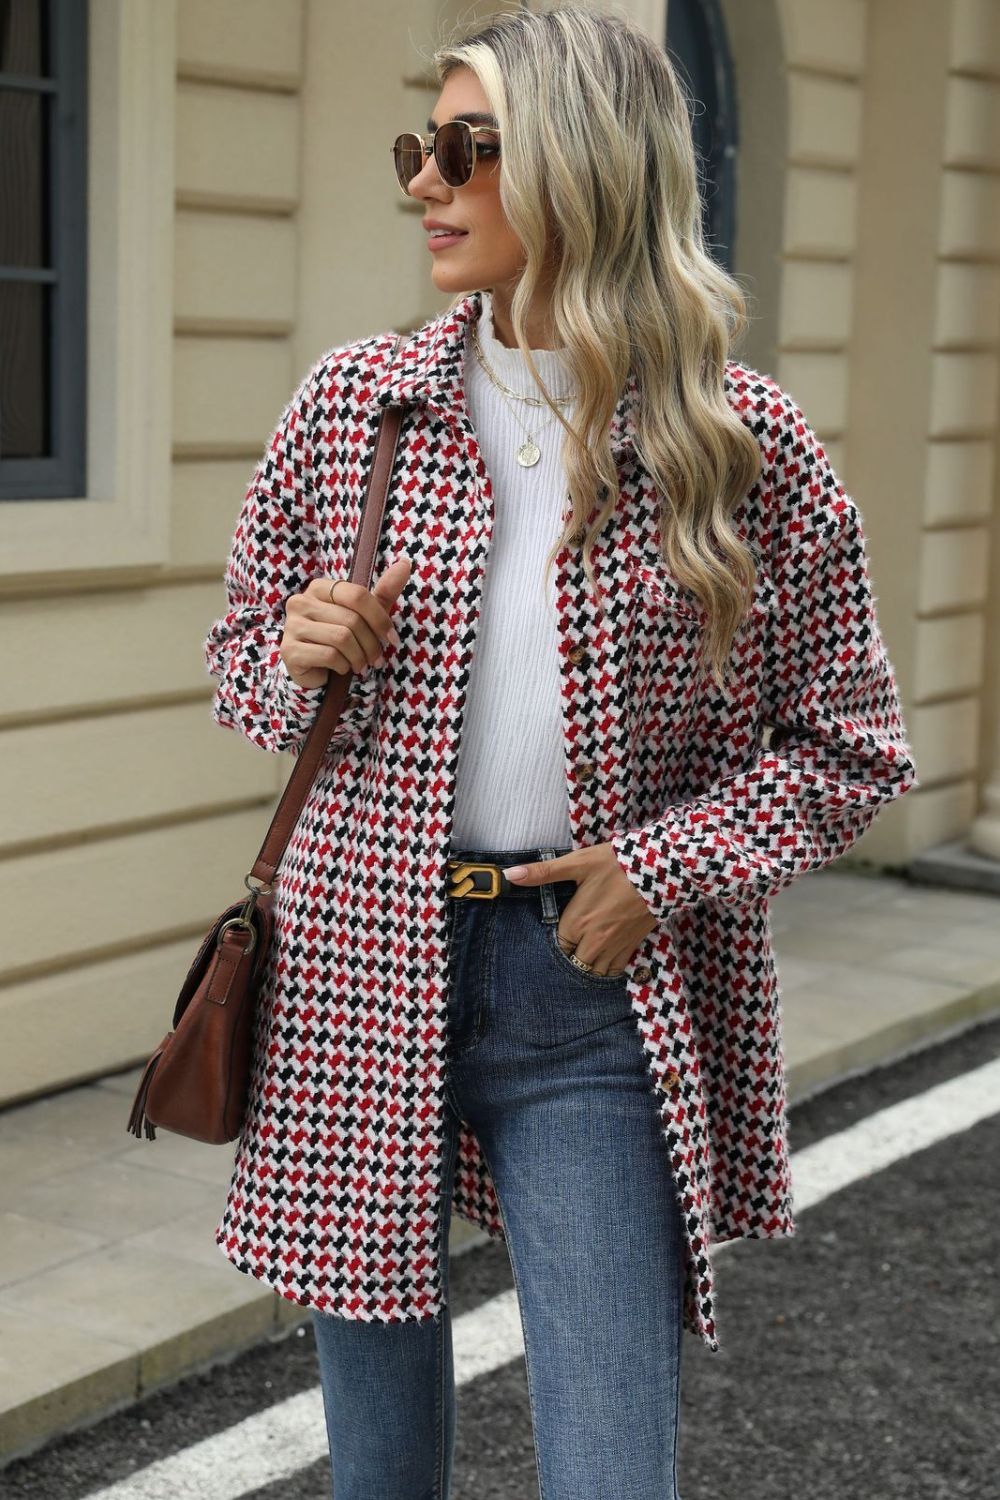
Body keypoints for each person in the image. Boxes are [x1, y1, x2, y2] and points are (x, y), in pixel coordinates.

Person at [202, 6, 918, 1498]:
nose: (425, 181)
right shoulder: (353, 408)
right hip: (355, 964)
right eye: (421, 146)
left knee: (609, 1463)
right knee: (378, 1472)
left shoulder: (741, 446)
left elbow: (850, 745)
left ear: (587, 167)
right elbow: (242, 662)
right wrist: (298, 649)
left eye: (469, 149)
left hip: (585, 985)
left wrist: (661, 869)